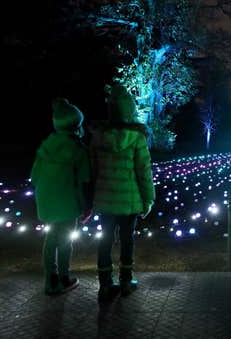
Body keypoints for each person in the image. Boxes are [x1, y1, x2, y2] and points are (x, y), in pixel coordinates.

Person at [90, 84, 155, 302]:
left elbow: (93, 170)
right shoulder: (137, 138)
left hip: (105, 199)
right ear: (130, 110)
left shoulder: (98, 137)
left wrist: (90, 198)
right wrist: (148, 199)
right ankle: (126, 280)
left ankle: (105, 284)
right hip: (129, 200)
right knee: (127, 239)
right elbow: (143, 172)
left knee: (105, 239)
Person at [31, 98, 92, 295]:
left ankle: (50, 280)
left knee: (50, 240)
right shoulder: (78, 149)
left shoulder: (46, 146)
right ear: (77, 125)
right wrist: (86, 206)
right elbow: (84, 180)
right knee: (65, 240)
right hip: (67, 203)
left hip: (46, 202)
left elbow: (34, 176)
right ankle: (64, 278)